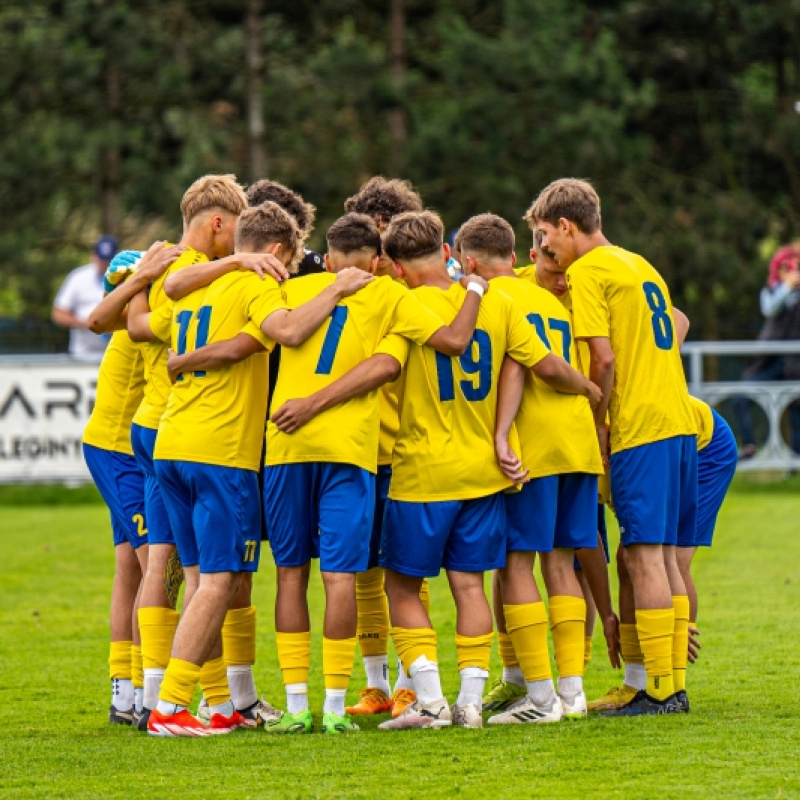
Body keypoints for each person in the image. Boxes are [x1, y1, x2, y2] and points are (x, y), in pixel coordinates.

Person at [135, 203, 372, 737]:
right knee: (221, 581)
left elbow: (172, 300)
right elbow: (286, 331)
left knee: (200, 580)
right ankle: (169, 707)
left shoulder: (200, 284)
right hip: (220, 452)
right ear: (279, 253)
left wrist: (188, 357)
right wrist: (335, 290)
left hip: (172, 441)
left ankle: (219, 704)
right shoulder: (259, 284)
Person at [372, 211, 600, 731]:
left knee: (402, 587)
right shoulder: (498, 302)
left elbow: (419, 354)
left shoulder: (404, 302)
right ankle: (473, 704)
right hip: (487, 471)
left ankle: (430, 703)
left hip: (424, 472)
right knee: (471, 587)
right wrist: (509, 429)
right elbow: (531, 362)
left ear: (398, 268)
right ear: (447, 254)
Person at [527, 178, 697, 716]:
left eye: (545, 236)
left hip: (639, 425)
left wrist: (596, 421)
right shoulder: (638, 263)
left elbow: (601, 359)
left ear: (566, 226)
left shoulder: (589, 271)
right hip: (676, 418)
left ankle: (663, 692)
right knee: (656, 554)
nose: (546, 249)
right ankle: (654, 682)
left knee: (643, 556)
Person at [455, 214, 604, 724]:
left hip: (533, 447)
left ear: (469, 263)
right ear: (514, 258)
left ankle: (540, 701)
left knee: (518, 565)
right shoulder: (550, 298)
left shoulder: (493, 299)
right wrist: (585, 390)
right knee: (563, 564)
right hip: (578, 444)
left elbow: (522, 364)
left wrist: (498, 435)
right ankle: (573, 692)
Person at [82, 242, 183, 725]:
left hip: (118, 447)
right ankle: (147, 690)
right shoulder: (132, 313)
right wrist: (144, 276)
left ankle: (125, 690)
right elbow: (96, 317)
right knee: (155, 564)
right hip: (119, 451)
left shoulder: (140, 313)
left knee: (130, 566)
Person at [341, 175, 430, 718]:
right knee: (363, 573)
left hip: (408, 448)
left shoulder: (416, 295)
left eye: (385, 242)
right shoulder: (348, 289)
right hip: (359, 447)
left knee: (407, 571)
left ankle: (410, 682)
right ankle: (375, 683)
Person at [733, 243, 800, 458]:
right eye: (787, 268)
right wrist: (788, 288)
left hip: (796, 364)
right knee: (741, 398)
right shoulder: (771, 292)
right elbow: (770, 308)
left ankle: (794, 468)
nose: (792, 273)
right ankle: (750, 446)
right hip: (769, 361)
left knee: (796, 415)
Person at [52, 235, 118, 360]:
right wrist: (86, 323)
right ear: (93, 256)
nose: (104, 264)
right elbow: (58, 313)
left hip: (116, 354)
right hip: (82, 354)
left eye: (108, 260)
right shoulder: (78, 277)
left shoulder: (125, 278)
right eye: (101, 259)